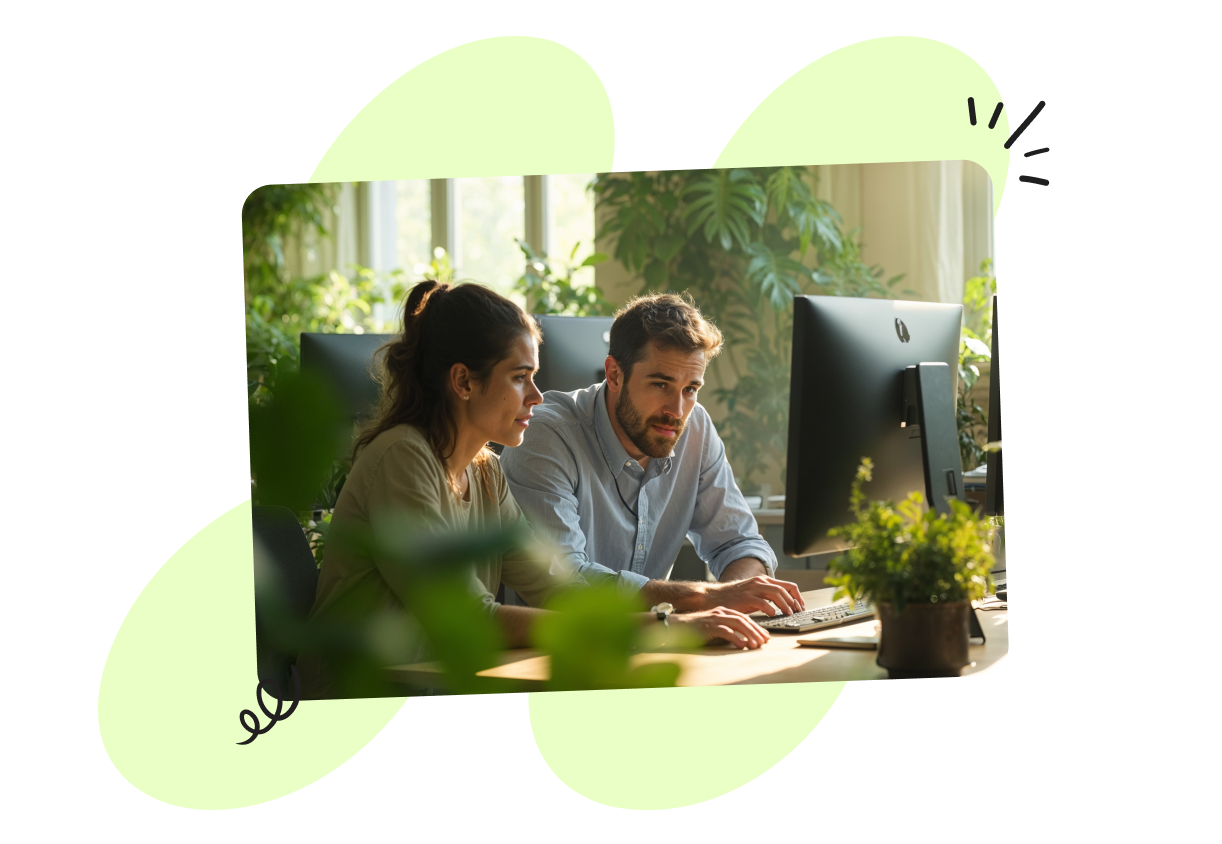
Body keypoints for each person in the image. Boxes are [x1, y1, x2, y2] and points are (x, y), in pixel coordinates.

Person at [296, 282, 774, 700]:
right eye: (520, 378)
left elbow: (558, 587)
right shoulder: (403, 458)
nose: (537, 397)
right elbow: (470, 618)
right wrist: (666, 626)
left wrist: (673, 622)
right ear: (463, 381)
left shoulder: (484, 471)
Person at [500, 292, 806, 619]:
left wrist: (734, 600)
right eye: (661, 385)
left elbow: (739, 544)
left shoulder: (695, 427)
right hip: (557, 659)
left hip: (655, 645)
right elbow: (565, 583)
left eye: (690, 389)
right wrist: (704, 597)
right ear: (614, 374)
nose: (677, 411)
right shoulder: (547, 435)